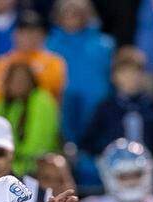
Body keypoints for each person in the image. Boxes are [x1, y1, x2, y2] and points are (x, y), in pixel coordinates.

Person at [46, 0, 115, 145]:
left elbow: (112, 79)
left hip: (97, 114)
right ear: (59, 16)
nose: (72, 17)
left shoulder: (105, 45)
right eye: (67, 13)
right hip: (62, 113)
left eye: (77, 13)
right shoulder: (49, 45)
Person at [80, 46, 153, 161]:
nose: (131, 78)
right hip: (115, 170)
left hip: (146, 170)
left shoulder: (152, 107)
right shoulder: (106, 108)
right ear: (114, 77)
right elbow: (89, 142)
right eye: (125, 73)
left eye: (136, 72)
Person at [0, 10, 67, 108]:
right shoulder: (0, 62)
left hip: (38, 114)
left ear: (43, 35)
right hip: (4, 113)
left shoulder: (53, 62)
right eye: (24, 32)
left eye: (34, 32)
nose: (29, 36)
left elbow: (54, 96)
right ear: (14, 34)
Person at [0, 63, 60, 177]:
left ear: (31, 81)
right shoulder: (3, 106)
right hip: (9, 170)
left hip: (36, 170)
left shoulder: (42, 101)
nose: (18, 84)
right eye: (14, 80)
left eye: (22, 80)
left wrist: (11, 164)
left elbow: (38, 146)